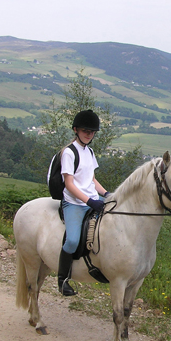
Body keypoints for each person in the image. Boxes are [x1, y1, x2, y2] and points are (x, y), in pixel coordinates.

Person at [56, 110, 109, 296]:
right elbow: (69, 184)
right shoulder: (69, 153)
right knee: (71, 241)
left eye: (92, 131)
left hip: (92, 198)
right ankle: (63, 280)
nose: (89, 134)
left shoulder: (90, 151)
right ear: (76, 130)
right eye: (86, 130)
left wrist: (106, 194)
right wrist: (89, 201)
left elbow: (91, 179)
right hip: (74, 203)